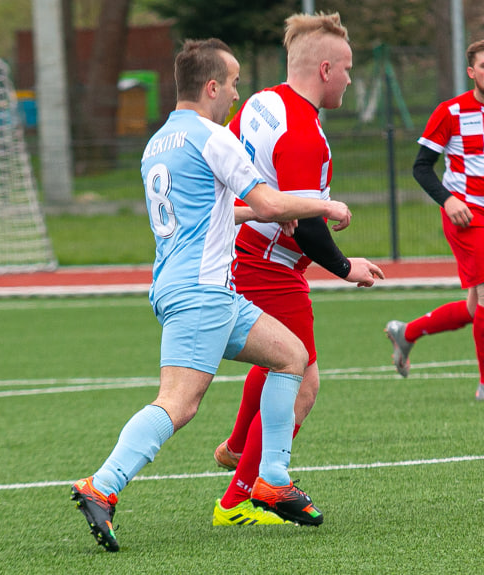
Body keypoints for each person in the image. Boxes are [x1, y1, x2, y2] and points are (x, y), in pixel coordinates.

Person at [70, 38, 354, 552]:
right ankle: (102, 486)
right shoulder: (213, 137)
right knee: (179, 403)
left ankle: (271, 478)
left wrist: (273, 208)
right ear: (212, 86)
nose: (237, 94)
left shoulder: (159, 143)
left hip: (199, 290)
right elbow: (266, 204)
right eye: (235, 82)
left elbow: (219, 209)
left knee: (291, 356)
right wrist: (323, 206)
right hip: (201, 294)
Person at [210, 12, 384, 527]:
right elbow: (307, 224)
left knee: (275, 360)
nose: (351, 80)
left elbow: (232, 168)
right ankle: (243, 496)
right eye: (348, 69)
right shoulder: (305, 133)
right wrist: (345, 265)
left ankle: (238, 448)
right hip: (269, 265)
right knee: (302, 377)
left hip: (242, 250)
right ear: (326, 69)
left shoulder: (262, 101)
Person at [384, 37, 484, 401]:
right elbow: (421, 167)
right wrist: (447, 201)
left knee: (479, 308)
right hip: (465, 218)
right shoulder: (451, 112)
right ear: (471, 71)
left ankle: (406, 332)